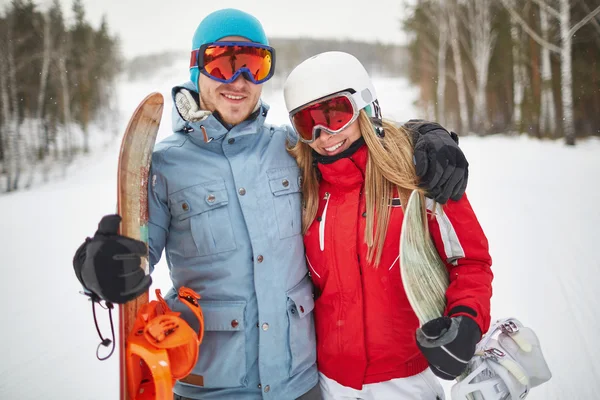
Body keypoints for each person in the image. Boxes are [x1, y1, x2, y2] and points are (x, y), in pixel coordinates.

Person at [72, 9, 470, 400]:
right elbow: (134, 257)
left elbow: (356, 141)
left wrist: (425, 135)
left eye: (253, 64)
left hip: (300, 385)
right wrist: (99, 266)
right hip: (210, 387)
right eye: (222, 63)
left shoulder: (291, 148)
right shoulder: (165, 166)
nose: (239, 80)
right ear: (195, 68)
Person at [283, 51, 493, 400]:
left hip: (406, 384)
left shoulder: (420, 174)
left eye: (334, 115)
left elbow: (470, 261)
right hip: (328, 385)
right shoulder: (303, 186)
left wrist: (466, 321)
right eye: (307, 124)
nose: (324, 134)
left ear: (364, 106)